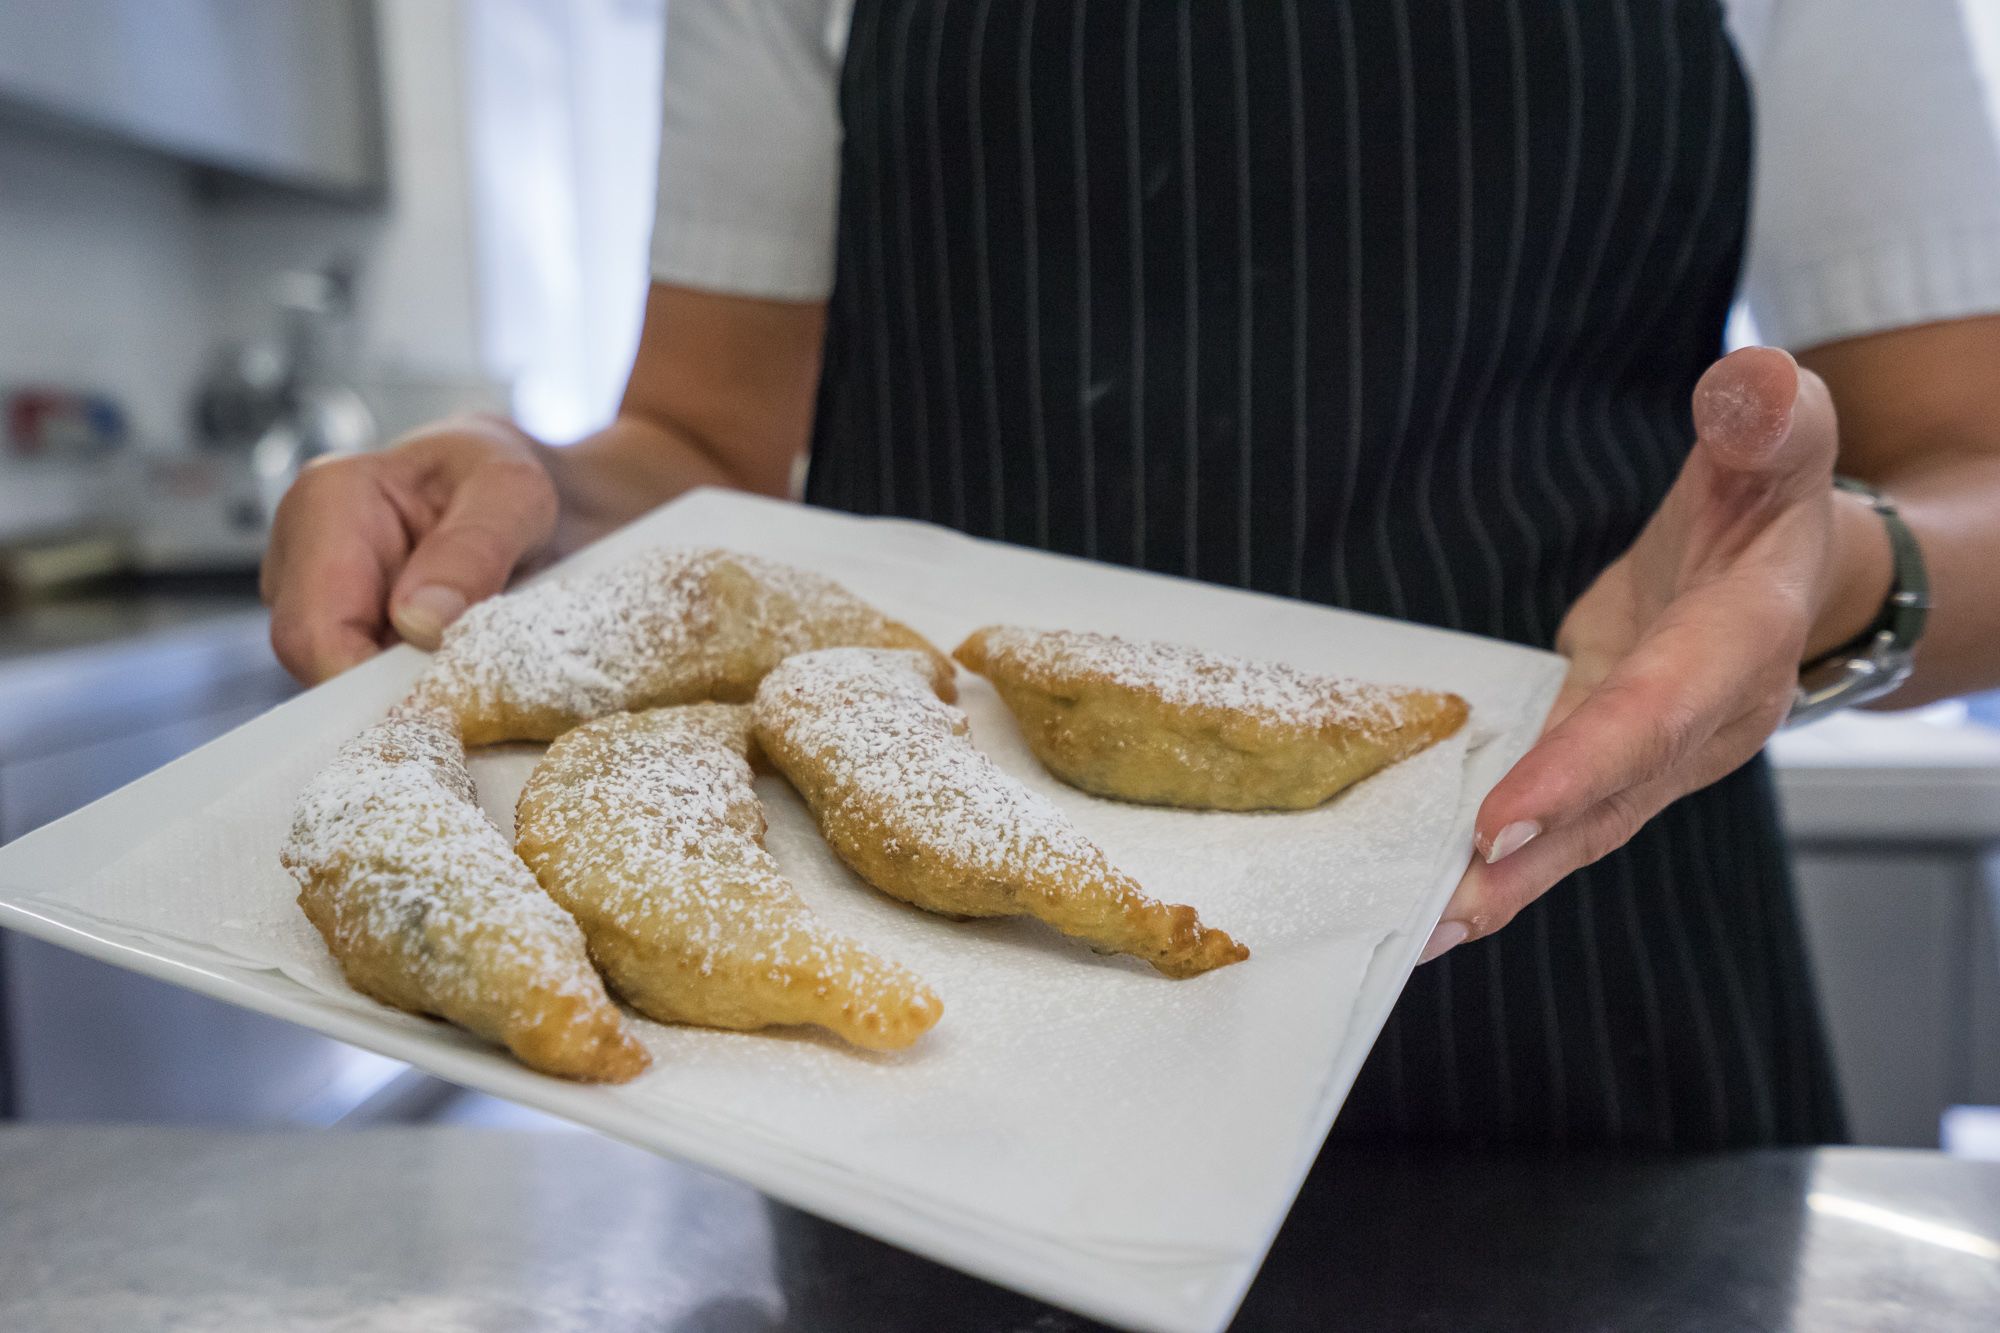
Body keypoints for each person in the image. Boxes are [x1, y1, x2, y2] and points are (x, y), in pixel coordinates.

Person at [262, 0, 2000, 1149]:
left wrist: (1834, 575)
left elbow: (1970, 470)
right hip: (954, 1096)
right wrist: (527, 496)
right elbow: (704, 451)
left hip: (1595, 1021)